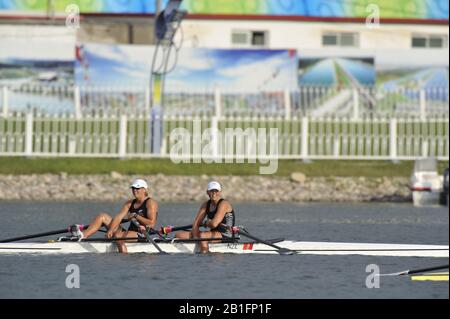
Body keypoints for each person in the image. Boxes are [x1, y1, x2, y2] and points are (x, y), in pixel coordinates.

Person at [70, 179, 158, 253]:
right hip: (130, 232)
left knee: (118, 236)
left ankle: (123, 257)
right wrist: (111, 230)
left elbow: (151, 223)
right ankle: (82, 236)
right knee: (102, 216)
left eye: (137, 188)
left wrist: (136, 216)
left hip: (143, 234)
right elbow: (118, 217)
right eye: (133, 188)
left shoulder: (150, 203)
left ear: (144, 190)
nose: (134, 190)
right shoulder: (129, 203)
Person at [175, 181, 236, 253]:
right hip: (212, 233)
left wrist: (206, 223)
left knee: (203, 236)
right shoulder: (206, 204)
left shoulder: (224, 204)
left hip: (226, 234)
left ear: (219, 192)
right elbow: (196, 224)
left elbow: (214, 224)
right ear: (207, 192)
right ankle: (200, 245)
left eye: (216, 191)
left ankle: (204, 255)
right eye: (211, 191)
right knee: (179, 235)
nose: (214, 194)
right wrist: (195, 237)